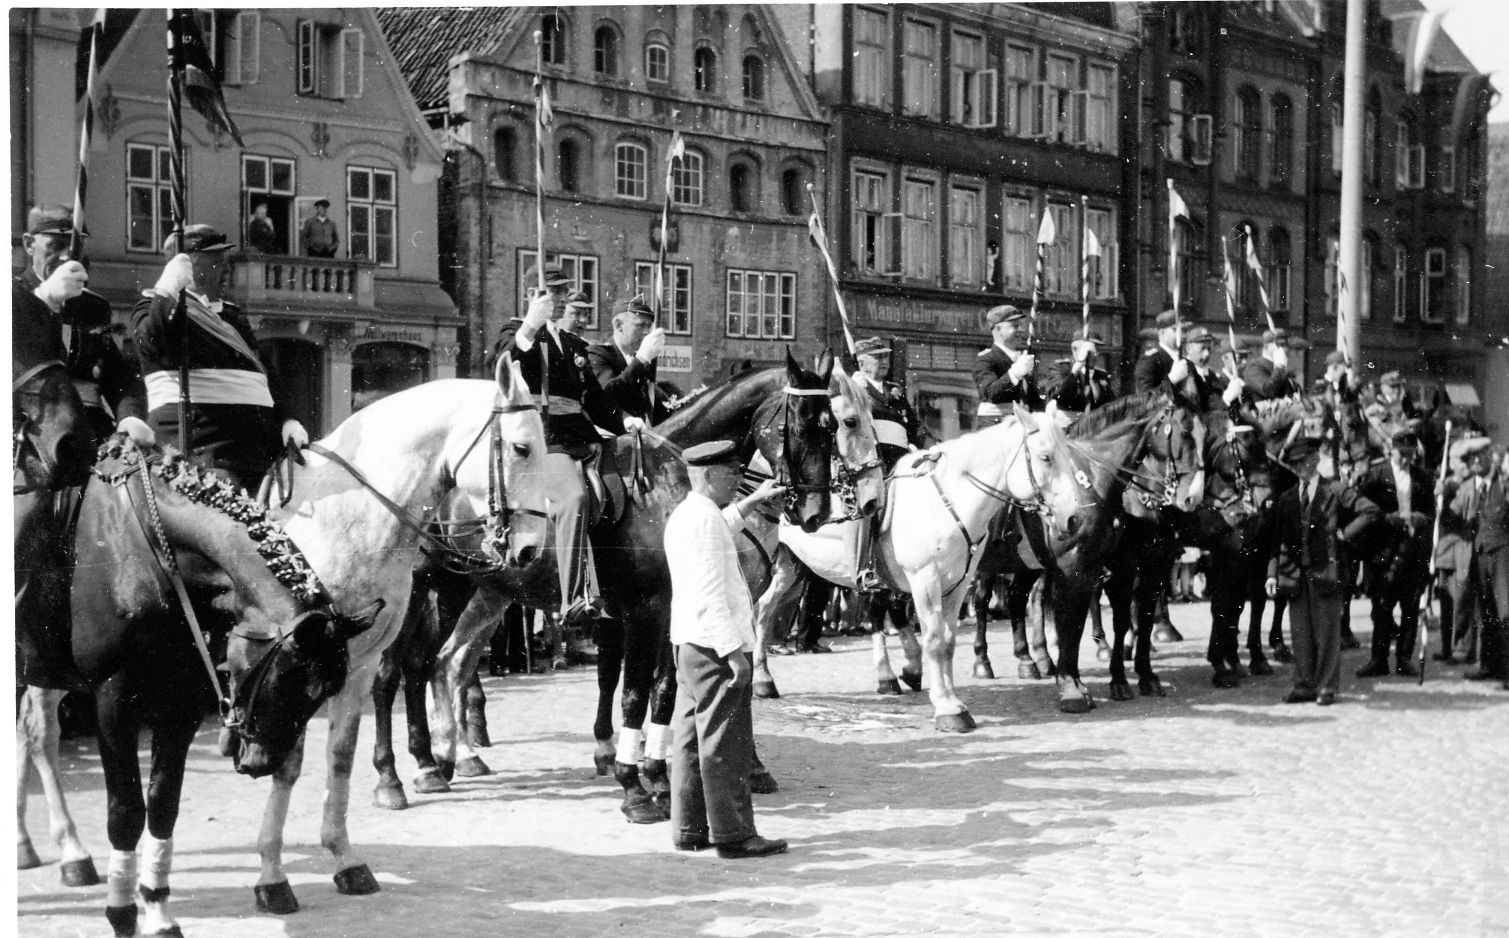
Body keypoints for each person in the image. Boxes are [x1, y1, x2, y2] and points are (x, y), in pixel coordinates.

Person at [490, 263, 636, 625]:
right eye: (552, 292)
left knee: (629, 487)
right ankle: (573, 598)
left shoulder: (572, 344)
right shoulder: (517, 332)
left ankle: (618, 580)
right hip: (545, 439)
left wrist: (625, 421)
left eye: (560, 292)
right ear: (531, 296)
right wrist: (529, 326)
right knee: (574, 498)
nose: (558, 299)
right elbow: (500, 363)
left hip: (582, 436)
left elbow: (595, 400)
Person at [665, 439, 790, 859]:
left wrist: (754, 500)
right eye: (733, 473)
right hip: (714, 646)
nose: (738, 478)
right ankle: (734, 835)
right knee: (726, 743)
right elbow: (710, 594)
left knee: (687, 737)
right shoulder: (703, 522)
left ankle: (689, 829)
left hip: (688, 644)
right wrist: (734, 651)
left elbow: (723, 525)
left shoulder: (691, 514)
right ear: (709, 475)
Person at [131, 224, 307, 491]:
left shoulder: (232, 316)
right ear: (188, 266)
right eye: (218, 263)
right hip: (207, 451)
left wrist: (288, 419)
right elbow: (152, 344)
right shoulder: (154, 308)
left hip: (258, 449)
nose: (227, 271)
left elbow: (263, 373)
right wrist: (167, 291)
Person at [14, 204, 149, 445]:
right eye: (56, 245)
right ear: (28, 244)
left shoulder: (91, 307)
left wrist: (131, 417)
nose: (67, 256)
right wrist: (47, 298)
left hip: (89, 429)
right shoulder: (14, 296)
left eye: (75, 247)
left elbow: (118, 375)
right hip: (31, 432)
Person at [1266, 436, 1379, 706]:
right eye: (1294, 464)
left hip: (1327, 570)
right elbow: (1277, 538)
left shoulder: (1336, 490)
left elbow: (1370, 511)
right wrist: (1272, 573)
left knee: (1327, 632)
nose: (1299, 468)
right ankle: (1303, 685)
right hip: (1295, 573)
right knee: (1301, 632)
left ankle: (1326, 687)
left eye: (1303, 462)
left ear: (1315, 460)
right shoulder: (1287, 497)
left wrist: (1344, 534)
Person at [848, 336, 934, 591]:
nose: (885, 362)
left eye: (886, 357)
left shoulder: (895, 391)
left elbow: (915, 426)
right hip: (872, 463)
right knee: (869, 506)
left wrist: (932, 447)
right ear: (862, 363)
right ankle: (863, 568)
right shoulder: (853, 389)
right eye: (878, 357)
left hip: (901, 461)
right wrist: (853, 390)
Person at [1350, 429, 1435, 678]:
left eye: (1411, 455)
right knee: (1382, 607)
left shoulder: (1422, 477)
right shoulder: (1376, 475)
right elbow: (1364, 511)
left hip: (1413, 549)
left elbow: (1430, 512)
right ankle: (1378, 659)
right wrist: (1388, 519)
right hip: (1384, 550)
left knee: (1409, 607)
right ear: (1391, 451)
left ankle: (1404, 659)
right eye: (1402, 455)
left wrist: (1422, 518)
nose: (1407, 459)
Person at [1441, 437, 1508, 687]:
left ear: (1491, 454)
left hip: (1503, 555)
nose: (1477, 461)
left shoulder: (1504, 482)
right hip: (1479, 557)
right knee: (1486, 613)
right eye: (1472, 458)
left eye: (1481, 455)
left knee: (1506, 614)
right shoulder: (1470, 486)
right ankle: (1489, 665)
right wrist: (1443, 494)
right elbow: (1451, 516)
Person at [587, 294, 670, 422]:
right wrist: (642, 359)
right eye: (640, 325)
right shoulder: (597, 354)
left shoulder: (638, 361)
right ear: (618, 325)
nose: (646, 332)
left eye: (649, 326)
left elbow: (660, 406)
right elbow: (608, 396)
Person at [972, 305, 1044, 425]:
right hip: (995, 426)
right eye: (1014, 326)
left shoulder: (1020, 360)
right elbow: (990, 393)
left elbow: (1033, 401)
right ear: (998, 329)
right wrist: (1014, 374)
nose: (1020, 330)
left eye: (1020, 325)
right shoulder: (985, 360)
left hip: (1020, 426)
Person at [1180, 326, 1244, 413]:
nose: (1207, 354)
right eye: (1202, 349)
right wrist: (1227, 398)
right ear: (1188, 349)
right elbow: (1196, 409)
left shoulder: (1211, 375)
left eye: (1209, 349)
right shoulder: (1185, 374)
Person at [1047, 333, 1114, 413]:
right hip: (1069, 423)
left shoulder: (1101, 376)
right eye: (1090, 350)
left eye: (1098, 349)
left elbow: (1111, 404)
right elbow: (1058, 396)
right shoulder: (1060, 369)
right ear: (1075, 350)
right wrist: (1077, 367)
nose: (1096, 354)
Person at [1241, 328, 1305, 403]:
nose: (1285, 349)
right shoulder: (1253, 369)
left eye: (1286, 345)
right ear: (1266, 346)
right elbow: (1268, 390)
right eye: (1280, 345)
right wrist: (1279, 367)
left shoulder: (1284, 372)